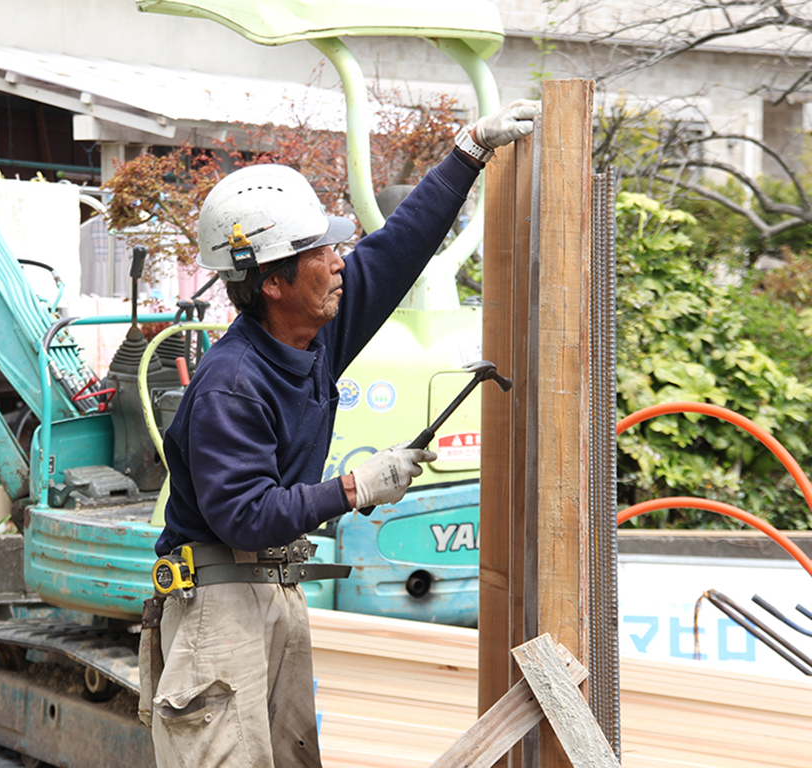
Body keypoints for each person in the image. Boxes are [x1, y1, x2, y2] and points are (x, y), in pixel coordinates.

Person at [147, 99, 540, 768]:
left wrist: (468, 152)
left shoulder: (313, 332)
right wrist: (356, 487)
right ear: (273, 282)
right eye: (320, 251)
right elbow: (244, 516)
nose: (338, 262)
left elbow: (396, 251)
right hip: (217, 606)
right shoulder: (231, 385)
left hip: (274, 589)